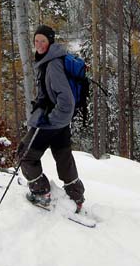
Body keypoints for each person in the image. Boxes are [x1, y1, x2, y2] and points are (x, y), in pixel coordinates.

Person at [18, 24, 85, 212]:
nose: (39, 44)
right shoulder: (49, 60)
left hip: (52, 121)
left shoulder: (53, 64)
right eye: (36, 40)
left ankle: (41, 193)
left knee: (25, 154)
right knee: (63, 157)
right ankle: (75, 197)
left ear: (50, 42)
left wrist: (50, 119)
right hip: (60, 122)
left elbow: (67, 101)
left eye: (43, 41)